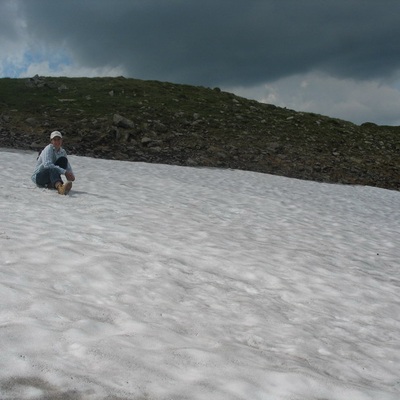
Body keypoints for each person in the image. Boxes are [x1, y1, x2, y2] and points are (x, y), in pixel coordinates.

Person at [31, 131, 76, 195]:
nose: (57, 142)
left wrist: (71, 175)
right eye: (55, 140)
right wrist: (64, 172)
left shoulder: (62, 152)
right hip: (39, 176)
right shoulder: (48, 148)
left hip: (51, 174)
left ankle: (53, 184)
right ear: (51, 141)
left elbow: (67, 165)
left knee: (63, 160)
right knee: (52, 168)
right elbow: (47, 165)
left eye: (59, 139)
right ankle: (60, 187)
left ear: (61, 140)